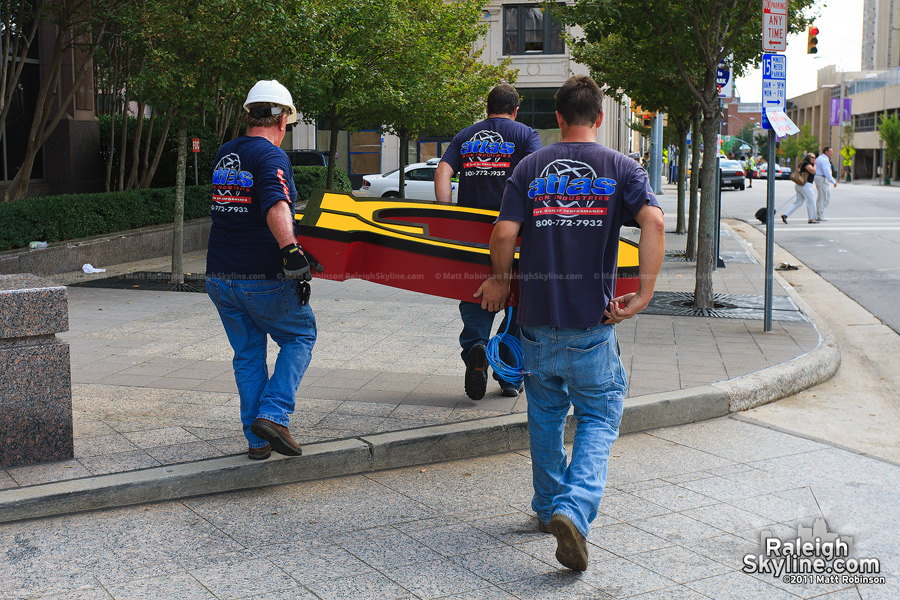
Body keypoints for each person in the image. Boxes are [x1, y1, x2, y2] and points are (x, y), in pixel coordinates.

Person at [477, 75, 665, 571]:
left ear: (557, 118)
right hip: (592, 324)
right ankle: (573, 510)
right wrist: (643, 293)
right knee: (600, 416)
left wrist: (499, 280)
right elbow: (655, 222)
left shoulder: (530, 168)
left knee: (544, 415)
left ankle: (546, 508)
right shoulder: (622, 168)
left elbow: (504, 232)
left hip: (537, 326)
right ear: (599, 119)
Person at [206, 80, 316, 460]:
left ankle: (258, 442)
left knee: (248, 355)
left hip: (219, 276)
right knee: (300, 336)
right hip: (261, 276)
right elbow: (275, 204)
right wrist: (292, 251)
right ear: (283, 120)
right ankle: (274, 415)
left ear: (249, 114)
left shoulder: (226, 152)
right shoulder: (271, 156)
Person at [435, 84, 542, 400]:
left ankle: (477, 348)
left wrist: (447, 214)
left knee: (475, 299)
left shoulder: (466, 135)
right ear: (515, 110)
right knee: (517, 308)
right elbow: (538, 175)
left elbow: (443, 171)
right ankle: (509, 376)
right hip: (515, 236)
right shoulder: (525, 135)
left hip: (471, 236)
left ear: (487, 109)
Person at [781, 153, 818, 224]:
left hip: (801, 185)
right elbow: (813, 171)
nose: (814, 159)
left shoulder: (804, 163)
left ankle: (785, 214)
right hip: (806, 185)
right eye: (812, 158)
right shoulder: (806, 164)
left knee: (799, 202)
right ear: (808, 158)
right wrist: (815, 164)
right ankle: (812, 218)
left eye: (815, 158)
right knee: (811, 201)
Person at [815, 146, 838, 221]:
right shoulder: (823, 160)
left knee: (826, 197)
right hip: (822, 178)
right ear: (826, 152)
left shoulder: (822, 159)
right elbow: (826, 171)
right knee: (823, 197)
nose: (832, 153)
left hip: (821, 178)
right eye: (830, 151)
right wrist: (833, 181)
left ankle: (820, 214)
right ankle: (820, 215)